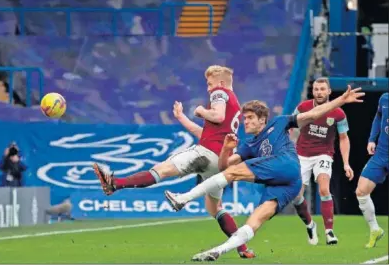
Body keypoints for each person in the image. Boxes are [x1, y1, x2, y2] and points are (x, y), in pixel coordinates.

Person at [164, 85, 364, 261]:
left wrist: (340, 100)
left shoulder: (279, 122)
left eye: (250, 118)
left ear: (262, 119)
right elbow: (224, 167)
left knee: (236, 174)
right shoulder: (248, 145)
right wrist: (226, 149)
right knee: (256, 220)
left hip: (286, 165)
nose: (246, 122)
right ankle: (218, 251)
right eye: (245, 118)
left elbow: (312, 114)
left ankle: (183, 198)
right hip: (285, 184)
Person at [92, 65, 255, 258]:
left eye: (210, 84)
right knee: (215, 208)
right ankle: (243, 249)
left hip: (205, 153)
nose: (209, 89)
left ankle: (115, 184)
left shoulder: (220, 93)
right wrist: (181, 117)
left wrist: (201, 110)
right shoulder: (234, 104)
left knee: (161, 170)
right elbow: (204, 132)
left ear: (220, 83)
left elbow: (217, 116)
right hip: (219, 161)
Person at [291, 77, 354, 245]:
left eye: (322, 89)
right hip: (302, 155)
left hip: (324, 154)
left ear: (329, 91)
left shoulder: (338, 113)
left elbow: (343, 138)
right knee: (296, 196)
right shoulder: (303, 108)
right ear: (313, 92)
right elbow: (290, 126)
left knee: (324, 190)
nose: (319, 92)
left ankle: (329, 231)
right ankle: (310, 225)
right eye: (316, 89)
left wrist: (346, 163)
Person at [355, 92, 388, 248]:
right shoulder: (385, 98)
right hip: (381, 153)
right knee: (361, 191)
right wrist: (371, 139)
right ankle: (375, 229)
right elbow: (378, 117)